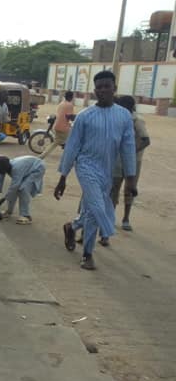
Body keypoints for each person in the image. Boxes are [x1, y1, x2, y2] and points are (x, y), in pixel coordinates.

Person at [54, 71, 136, 270]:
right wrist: (63, 176)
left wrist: (132, 179)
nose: (102, 90)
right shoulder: (85, 116)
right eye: (98, 87)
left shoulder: (123, 116)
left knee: (91, 211)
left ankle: (77, 236)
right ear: (94, 90)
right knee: (98, 206)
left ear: (114, 88)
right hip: (86, 166)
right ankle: (105, 233)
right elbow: (72, 146)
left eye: (106, 86)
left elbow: (128, 147)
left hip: (107, 171)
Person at [109, 95, 150, 231]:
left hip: (133, 161)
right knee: (114, 188)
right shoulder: (120, 118)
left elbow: (145, 140)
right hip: (118, 160)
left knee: (129, 189)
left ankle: (126, 218)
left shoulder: (137, 120)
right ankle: (110, 218)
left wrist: (130, 152)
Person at [0, 155, 46, 223]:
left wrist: (1, 201)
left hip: (37, 168)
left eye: (0, 170)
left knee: (23, 189)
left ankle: (26, 216)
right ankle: (9, 211)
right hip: (27, 168)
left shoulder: (16, 169)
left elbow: (14, 187)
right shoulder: (4, 166)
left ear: (5, 168)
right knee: (14, 191)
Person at [40, 91, 76, 160]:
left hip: (57, 125)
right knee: (68, 141)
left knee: (59, 142)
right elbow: (69, 117)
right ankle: (42, 156)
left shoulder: (61, 103)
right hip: (63, 127)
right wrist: (77, 117)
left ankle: (65, 147)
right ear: (71, 97)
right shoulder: (69, 105)